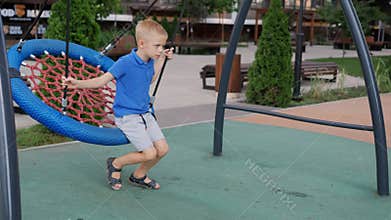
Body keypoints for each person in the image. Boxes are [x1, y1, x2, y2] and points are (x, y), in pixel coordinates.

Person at [63, 19, 174, 190]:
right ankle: (115, 163)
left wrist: (162, 60)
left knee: (163, 149)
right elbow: (101, 81)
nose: (161, 50)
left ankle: (139, 175)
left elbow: (150, 79)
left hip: (145, 114)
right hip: (127, 116)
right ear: (142, 43)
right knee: (149, 153)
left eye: (162, 46)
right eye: (157, 46)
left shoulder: (150, 60)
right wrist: (77, 83)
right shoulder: (125, 63)